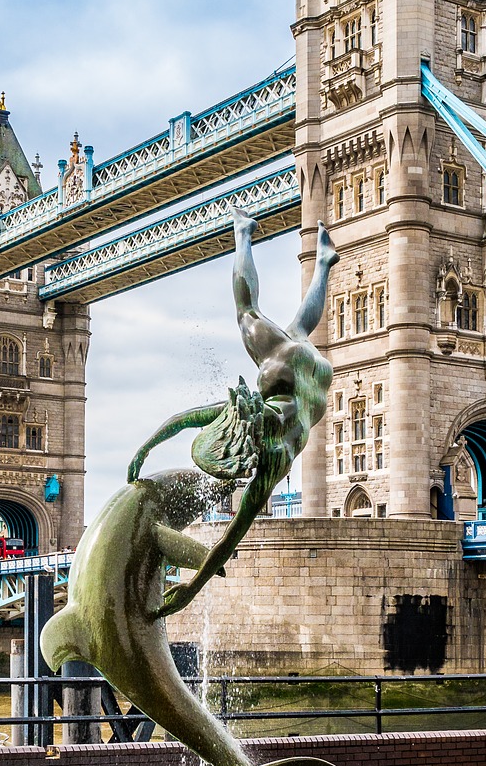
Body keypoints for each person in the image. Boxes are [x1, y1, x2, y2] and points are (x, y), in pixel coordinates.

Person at [128, 207, 339, 618]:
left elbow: (229, 539)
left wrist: (190, 590)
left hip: (315, 376)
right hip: (288, 366)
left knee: (288, 324)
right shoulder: (255, 415)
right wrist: (144, 449)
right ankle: (244, 233)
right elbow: (186, 419)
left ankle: (320, 262)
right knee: (251, 313)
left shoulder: (276, 457)